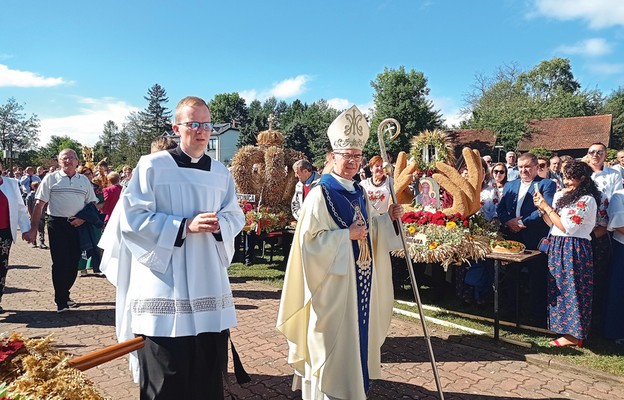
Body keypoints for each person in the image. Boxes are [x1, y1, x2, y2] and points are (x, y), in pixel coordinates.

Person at [99, 96, 247, 399]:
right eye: (193, 124)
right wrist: (183, 227)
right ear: (176, 127)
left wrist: (222, 224)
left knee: (207, 379)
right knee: (166, 381)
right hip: (165, 288)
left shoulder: (220, 173)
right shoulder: (151, 166)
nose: (201, 131)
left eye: (206, 125)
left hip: (208, 283)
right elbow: (133, 218)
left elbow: (235, 213)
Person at [276, 105, 404, 400]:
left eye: (357, 156)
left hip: (360, 281)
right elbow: (308, 246)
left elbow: (371, 230)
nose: (352, 161)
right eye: (346, 156)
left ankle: (353, 389)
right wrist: (345, 235)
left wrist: (390, 219)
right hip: (331, 290)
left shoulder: (359, 191)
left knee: (357, 342)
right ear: (332, 157)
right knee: (331, 346)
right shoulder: (320, 194)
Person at [533, 160, 601, 347]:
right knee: (559, 288)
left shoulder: (586, 199)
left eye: (571, 178)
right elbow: (554, 224)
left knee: (572, 288)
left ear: (582, 179)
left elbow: (567, 227)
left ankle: (574, 335)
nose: (567, 181)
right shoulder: (563, 195)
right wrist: (542, 208)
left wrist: (547, 207)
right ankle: (565, 330)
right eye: (565, 177)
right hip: (558, 243)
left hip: (574, 246)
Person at [25, 149, 98, 312]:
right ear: (59, 162)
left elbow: (91, 204)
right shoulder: (51, 179)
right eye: (64, 158)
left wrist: (83, 218)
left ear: (77, 162)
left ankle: (65, 293)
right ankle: (61, 300)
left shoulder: (84, 181)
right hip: (56, 224)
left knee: (74, 262)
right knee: (60, 263)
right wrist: (33, 229)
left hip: (78, 225)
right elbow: (39, 205)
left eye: (72, 158)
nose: (68, 161)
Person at [497, 152, 557, 327]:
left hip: (534, 237)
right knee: (510, 275)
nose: (524, 170)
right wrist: (508, 222)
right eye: (521, 167)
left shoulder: (546, 184)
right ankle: (511, 310)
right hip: (512, 235)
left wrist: (522, 222)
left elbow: (544, 209)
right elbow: (501, 208)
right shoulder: (510, 185)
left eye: (527, 167)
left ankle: (537, 315)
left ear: (536, 167)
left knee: (536, 277)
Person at [586, 142, 622, 335]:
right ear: (587, 154)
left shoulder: (613, 175)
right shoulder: (583, 172)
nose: (596, 155)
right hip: (581, 230)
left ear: (605, 155)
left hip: (602, 231)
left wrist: (603, 228)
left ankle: (597, 316)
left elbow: (615, 202)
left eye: (600, 152)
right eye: (592, 152)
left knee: (599, 275)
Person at [0, 160, 31, 313]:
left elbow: (20, 208)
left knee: (1, 267)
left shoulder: (11, 184)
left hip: (4, 233)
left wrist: (26, 229)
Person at [604, 187, 624, 343]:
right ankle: (616, 332)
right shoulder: (619, 196)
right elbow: (618, 225)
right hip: (622, 248)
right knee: (619, 290)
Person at [25, 181, 48, 249]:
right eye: (36, 187)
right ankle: (33, 241)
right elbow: (28, 206)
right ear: (33, 187)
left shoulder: (42, 194)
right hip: (32, 215)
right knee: (33, 229)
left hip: (41, 215)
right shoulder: (30, 195)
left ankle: (42, 242)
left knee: (41, 229)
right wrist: (30, 215)